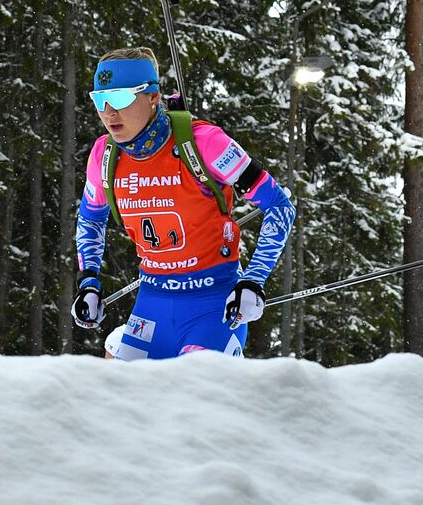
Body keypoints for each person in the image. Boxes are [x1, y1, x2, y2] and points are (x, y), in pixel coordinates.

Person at [70, 47, 295, 360]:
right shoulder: (104, 156)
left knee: (193, 401)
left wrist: (253, 281)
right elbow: (91, 220)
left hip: (213, 305)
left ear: (153, 97)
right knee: (118, 399)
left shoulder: (204, 143)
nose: (108, 111)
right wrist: (89, 283)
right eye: (99, 99)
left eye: (120, 98)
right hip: (152, 304)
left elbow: (279, 206)